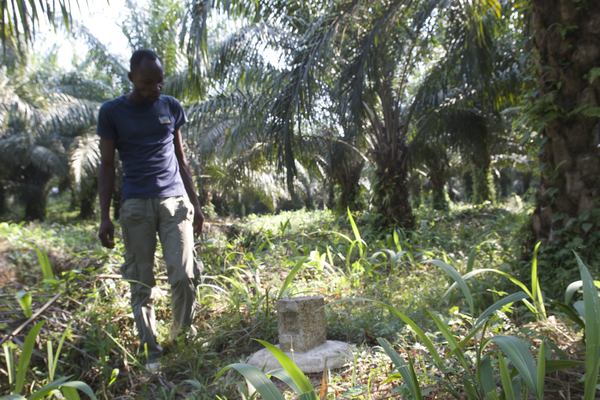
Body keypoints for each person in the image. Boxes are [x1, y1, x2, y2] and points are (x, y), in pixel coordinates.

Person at [96, 49, 204, 371]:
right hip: (136, 205)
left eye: (159, 82)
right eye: (146, 83)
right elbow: (105, 165)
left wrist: (196, 204)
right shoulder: (112, 112)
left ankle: (181, 339)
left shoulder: (170, 107)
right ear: (131, 78)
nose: (154, 88)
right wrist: (104, 216)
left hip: (174, 201)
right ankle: (151, 350)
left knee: (184, 275)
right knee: (141, 283)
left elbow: (181, 160)